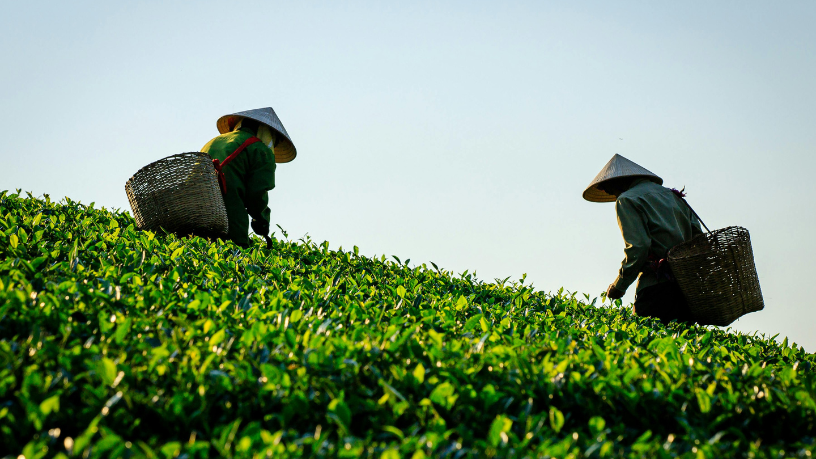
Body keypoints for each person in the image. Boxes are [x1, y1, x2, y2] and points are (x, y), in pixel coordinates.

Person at [583, 154, 703, 323]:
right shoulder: (674, 196)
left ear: (616, 182)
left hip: (656, 289)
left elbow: (639, 247)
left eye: (606, 187)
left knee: (646, 344)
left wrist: (619, 285)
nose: (608, 192)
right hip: (687, 291)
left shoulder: (627, 199)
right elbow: (699, 239)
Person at [201, 107, 297, 248]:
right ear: (267, 133)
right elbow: (257, 196)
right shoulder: (260, 150)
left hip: (198, 215)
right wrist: (262, 223)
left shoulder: (212, 142)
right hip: (230, 225)